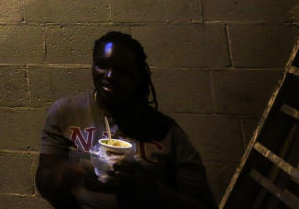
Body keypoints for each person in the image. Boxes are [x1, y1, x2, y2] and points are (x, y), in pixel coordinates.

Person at [36, 31, 217, 209]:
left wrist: (148, 187)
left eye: (122, 71)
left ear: (139, 77)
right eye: (102, 65)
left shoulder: (165, 130)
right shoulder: (67, 112)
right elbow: (45, 181)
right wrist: (61, 175)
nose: (109, 76)